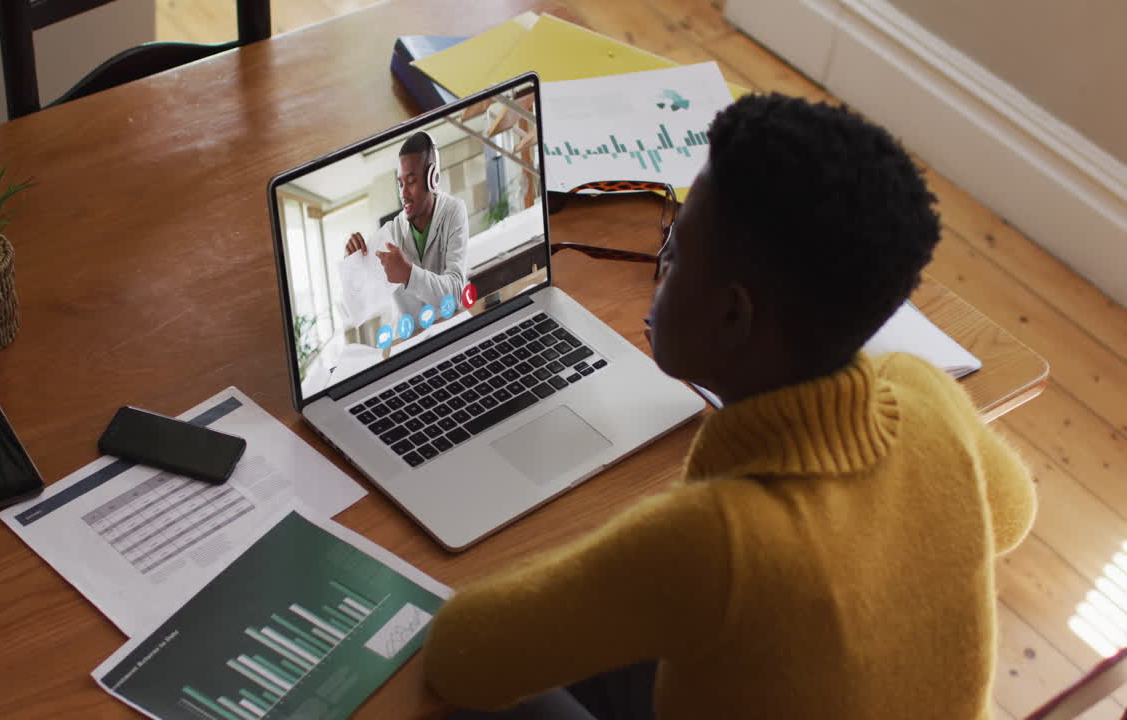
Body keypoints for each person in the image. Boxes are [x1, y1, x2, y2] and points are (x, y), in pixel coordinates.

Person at [422, 93, 1036, 719]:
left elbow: (459, 654)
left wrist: (619, 557)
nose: (660, 267)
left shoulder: (714, 542)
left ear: (732, 313)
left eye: (677, 253)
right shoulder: (924, 392)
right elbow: (1013, 511)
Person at [345, 131, 469, 326]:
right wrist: (352, 265)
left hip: (452, 327)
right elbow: (359, 308)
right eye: (400, 183)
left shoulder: (453, 211)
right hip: (412, 340)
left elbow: (455, 291)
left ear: (432, 179)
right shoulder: (390, 233)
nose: (403, 193)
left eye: (411, 182)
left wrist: (409, 274)